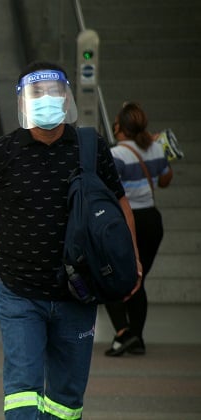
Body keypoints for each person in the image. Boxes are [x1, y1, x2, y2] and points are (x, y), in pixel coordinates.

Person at [0, 61, 142, 419]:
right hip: (20, 293)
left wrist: (132, 260)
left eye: (54, 93)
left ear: (66, 97)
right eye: (38, 94)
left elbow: (120, 205)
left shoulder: (90, 147)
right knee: (22, 392)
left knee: (66, 400)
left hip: (79, 292)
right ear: (23, 101)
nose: (47, 100)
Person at [104, 101, 173, 357]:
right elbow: (166, 180)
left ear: (119, 127)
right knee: (138, 278)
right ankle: (137, 337)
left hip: (127, 221)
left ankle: (123, 333)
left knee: (110, 276)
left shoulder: (116, 154)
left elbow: (109, 189)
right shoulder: (155, 147)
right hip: (152, 220)